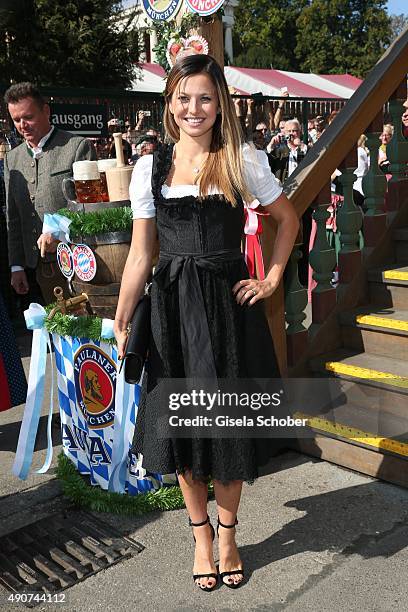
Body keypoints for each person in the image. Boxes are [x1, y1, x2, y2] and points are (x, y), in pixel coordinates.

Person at [114, 54, 299, 591]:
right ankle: (199, 538)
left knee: (229, 428)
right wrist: (124, 314)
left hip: (226, 313)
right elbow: (141, 255)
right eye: (183, 97)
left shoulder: (242, 159)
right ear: (170, 104)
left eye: (205, 98)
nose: (194, 108)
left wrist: (271, 280)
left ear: (219, 104)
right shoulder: (151, 167)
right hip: (171, 313)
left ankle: (228, 533)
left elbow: (286, 220)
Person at [3, 82, 96, 305]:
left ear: (46, 111)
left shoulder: (76, 146)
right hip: (35, 269)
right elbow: (13, 217)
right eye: (16, 120)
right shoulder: (12, 158)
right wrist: (16, 266)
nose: (22, 125)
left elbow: (89, 205)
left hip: (78, 261)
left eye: (28, 117)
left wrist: (60, 232)